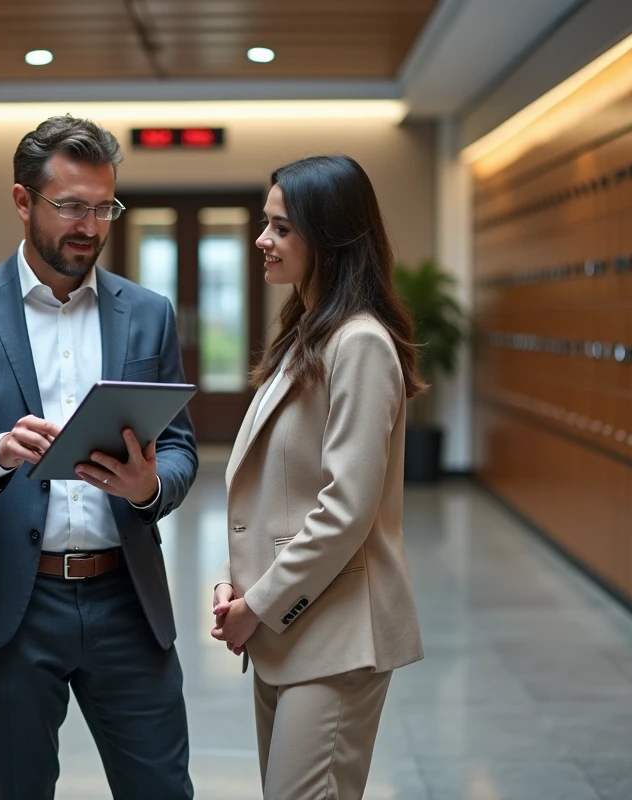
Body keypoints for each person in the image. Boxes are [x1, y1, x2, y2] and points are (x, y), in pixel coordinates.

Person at [0, 114, 199, 800]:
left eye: (103, 207)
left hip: (127, 597)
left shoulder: (147, 313)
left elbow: (179, 446)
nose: (90, 226)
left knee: (162, 787)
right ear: (21, 202)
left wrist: (150, 487)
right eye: (70, 206)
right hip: (11, 603)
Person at [210, 154, 425, 800]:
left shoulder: (358, 343)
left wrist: (259, 606)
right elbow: (282, 491)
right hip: (289, 628)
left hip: (334, 635)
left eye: (280, 228)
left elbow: (345, 508)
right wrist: (238, 587)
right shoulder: (306, 333)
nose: (262, 241)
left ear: (328, 238)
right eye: (264, 224)